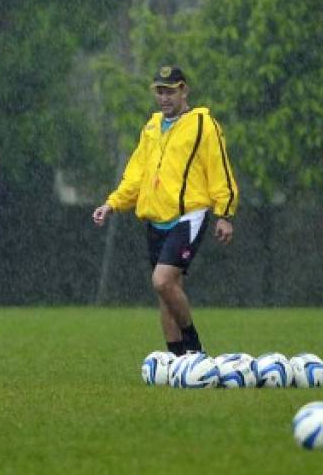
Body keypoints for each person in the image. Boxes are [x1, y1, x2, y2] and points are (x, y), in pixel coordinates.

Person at [92, 66, 237, 356]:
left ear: (185, 90)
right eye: (160, 91)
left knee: (161, 280)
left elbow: (219, 169)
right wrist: (112, 203)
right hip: (157, 219)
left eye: (170, 90)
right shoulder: (151, 127)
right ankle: (177, 362)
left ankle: (194, 347)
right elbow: (136, 174)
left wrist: (225, 213)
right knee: (166, 294)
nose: (164, 97)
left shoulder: (202, 124)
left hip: (189, 215)